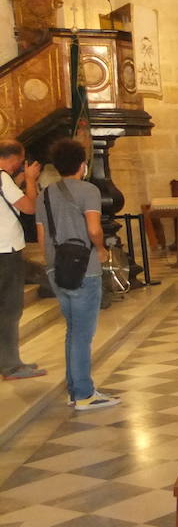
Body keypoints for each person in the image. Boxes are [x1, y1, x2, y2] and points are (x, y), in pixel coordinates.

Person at [35, 139, 116, 411]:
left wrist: (52, 265)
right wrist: (102, 249)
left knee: (72, 331)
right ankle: (83, 394)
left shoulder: (43, 194)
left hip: (56, 268)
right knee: (83, 334)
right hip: (84, 268)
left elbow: (41, 236)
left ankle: (75, 389)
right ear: (83, 165)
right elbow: (94, 229)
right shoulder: (88, 190)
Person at [0, 140, 43, 381]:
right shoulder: (3, 178)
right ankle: (11, 366)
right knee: (9, 308)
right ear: (15, 158)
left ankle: (6, 361)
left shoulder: (5, 180)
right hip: (5, 251)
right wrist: (30, 180)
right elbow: (29, 207)